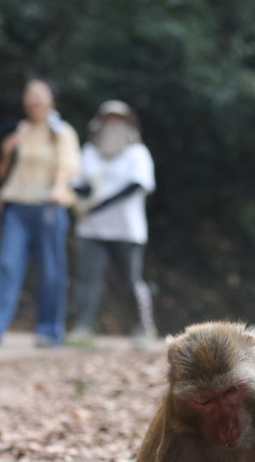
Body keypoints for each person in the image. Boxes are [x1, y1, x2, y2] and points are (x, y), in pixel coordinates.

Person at [0, 79, 80, 347]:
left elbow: (67, 166)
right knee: (7, 265)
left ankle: (49, 330)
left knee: (50, 270)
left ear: (51, 101)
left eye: (40, 95)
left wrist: (57, 189)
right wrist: (7, 152)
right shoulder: (19, 130)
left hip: (48, 207)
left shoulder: (62, 132)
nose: (34, 100)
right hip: (17, 204)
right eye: (29, 95)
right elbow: (2, 172)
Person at [69, 100, 156, 347]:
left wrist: (99, 205)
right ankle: (82, 327)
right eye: (109, 119)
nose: (113, 125)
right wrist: (78, 192)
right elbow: (82, 183)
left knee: (131, 281)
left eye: (119, 120)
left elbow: (136, 185)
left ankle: (143, 327)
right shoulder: (89, 151)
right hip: (91, 229)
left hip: (126, 230)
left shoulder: (137, 153)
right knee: (88, 281)